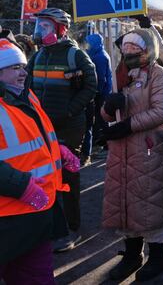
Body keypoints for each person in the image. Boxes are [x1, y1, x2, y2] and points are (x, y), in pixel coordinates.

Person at [0, 39, 79, 284]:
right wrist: (21, 186)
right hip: (9, 218)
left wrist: (58, 150)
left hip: (36, 213)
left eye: (23, 66)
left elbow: (35, 138)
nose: (23, 72)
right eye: (15, 67)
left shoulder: (26, 95)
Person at [100, 28, 163, 282]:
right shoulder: (120, 74)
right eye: (127, 50)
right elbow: (108, 114)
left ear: (148, 51)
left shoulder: (158, 74)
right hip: (122, 151)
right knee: (126, 202)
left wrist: (128, 125)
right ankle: (132, 255)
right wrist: (108, 109)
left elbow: (162, 110)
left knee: (150, 202)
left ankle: (158, 256)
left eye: (136, 50)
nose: (130, 54)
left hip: (148, 149)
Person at [25, 8, 97, 252]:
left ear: (60, 29)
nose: (39, 31)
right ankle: (51, 225)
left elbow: (91, 86)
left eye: (45, 26)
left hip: (69, 128)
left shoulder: (75, 55)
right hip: (42, 128)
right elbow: (26, 86)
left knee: (67, 178)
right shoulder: (38, 56)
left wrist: (69, 110)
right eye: (39, 26)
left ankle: (71, 229)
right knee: (44, 175)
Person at [81, 33, 113, 165]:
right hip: (102, 91)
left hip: (101, 92)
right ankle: (102, 143)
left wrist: (96, 91)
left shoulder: (99, 57)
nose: (87, 45)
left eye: (89, 43)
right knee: (100, 118)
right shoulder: (99, 53)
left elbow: (100, 78)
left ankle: (105, 145)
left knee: (101, 118)